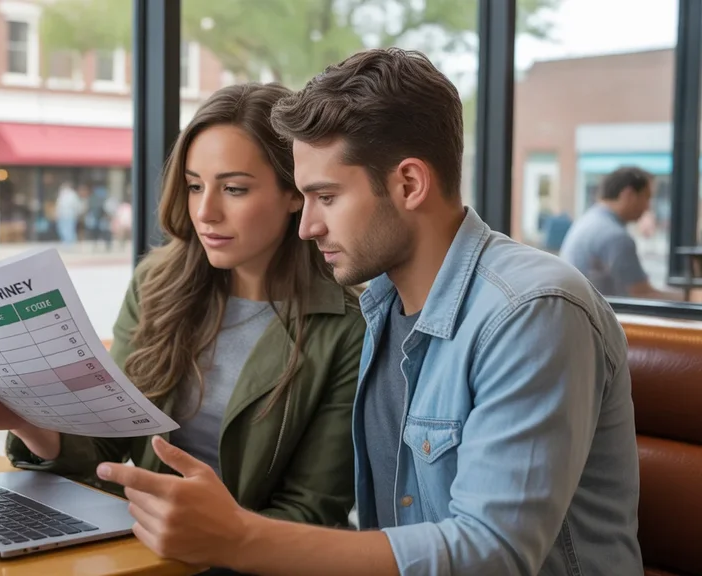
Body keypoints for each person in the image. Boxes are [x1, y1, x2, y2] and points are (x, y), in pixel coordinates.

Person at [95, 48, 643, 576]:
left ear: (409, 183)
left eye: (326, 197)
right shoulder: (381, 306)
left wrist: (238, 536)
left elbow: (491, 553)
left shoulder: (532, 310)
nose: (307, 226)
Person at [0, 83, 365, 529]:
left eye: (234, 189)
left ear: (294, 194)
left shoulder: (347, 328)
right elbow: (106, 445)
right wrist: (29, 422)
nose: (205, 212)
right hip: (134, 537)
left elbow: (312, 513)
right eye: (194, 186)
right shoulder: (159, 283)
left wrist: (203, 535)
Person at [559, 166, 680, 300]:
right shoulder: (615, 236)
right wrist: (689, 296)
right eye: (647, 198)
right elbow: (642, 294)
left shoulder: (588, 220)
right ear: (628, 195)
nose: (648, 207)